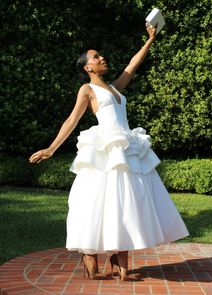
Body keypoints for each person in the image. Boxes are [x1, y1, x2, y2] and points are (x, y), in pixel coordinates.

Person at [29, 24, 189, 281]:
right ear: (87, 67)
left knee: (126, 202)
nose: (101, 58)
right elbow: (71, 121)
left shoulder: (114, 88)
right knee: (102, 202)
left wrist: (150, 39)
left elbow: (132, 65)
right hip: (107, 150)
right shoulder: (88, 90)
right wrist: (50, 148)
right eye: (96, 57)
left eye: (100, 55)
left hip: (126, 149)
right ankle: (92, 257)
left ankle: (119, 261)